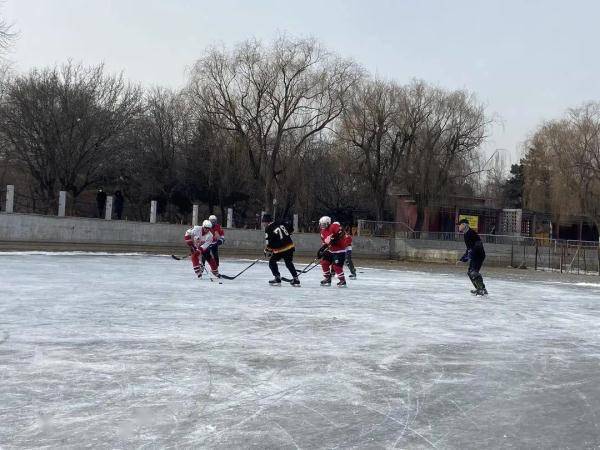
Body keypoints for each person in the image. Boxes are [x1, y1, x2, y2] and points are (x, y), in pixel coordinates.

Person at [262, 213, 300, 286]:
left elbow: (270, 242)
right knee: (289, 263)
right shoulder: (279, 223)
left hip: (280, 249)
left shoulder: (268, 228)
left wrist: (267, 250)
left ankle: (277, 277)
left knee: (272, 262)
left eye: (263, 222)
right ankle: (296, 279)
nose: (263, 224)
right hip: (289, 246)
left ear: (267, 221)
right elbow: (291, 229)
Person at [457, 218, 488, 295]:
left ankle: (482, 289)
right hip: (474, 256)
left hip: (479, 255)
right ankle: (479, 288)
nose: (459, 227)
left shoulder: (472, 233)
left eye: (460, 225)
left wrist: (471, 254)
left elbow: (478, 245)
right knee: (470, 272)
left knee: (474, 272)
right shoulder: (465, 234)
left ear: (464, 225)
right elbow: (468, 249)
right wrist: (462, 259)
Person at [317, 216, 347, 287]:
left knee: (336, 266)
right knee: (324, 263)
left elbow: (341, 233)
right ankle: (327, 279)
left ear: (328, 223)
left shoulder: (334, 226)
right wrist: (321, 250)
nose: (322, 226)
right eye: (321, 224)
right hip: (330, 250)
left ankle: (342, 281)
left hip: (339, 250)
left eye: (324, 224)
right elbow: (325, 243)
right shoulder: (322, 232)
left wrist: (335, 238)